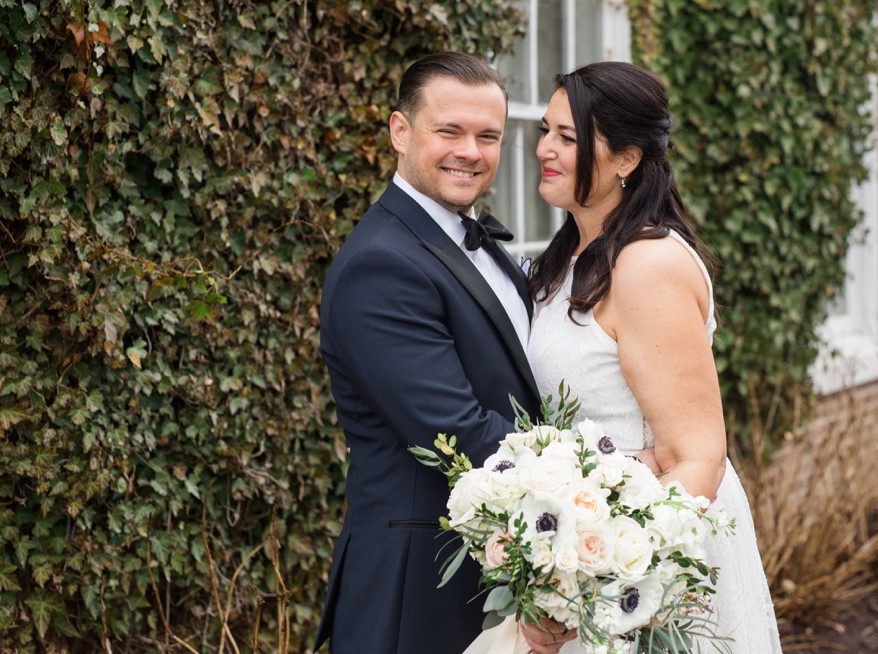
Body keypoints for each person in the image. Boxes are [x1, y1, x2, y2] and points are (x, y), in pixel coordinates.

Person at [315, 52, 573, 654]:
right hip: (419, 581)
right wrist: (598, 474)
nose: (471, 152)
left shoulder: (469, 237)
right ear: (400, 132)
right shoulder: (383, 264)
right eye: (449, 131)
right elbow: (454, 432)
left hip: (490, 561)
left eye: (488, 136)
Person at [524, 62, 783, 653]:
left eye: (568, 137)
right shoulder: (571, 254)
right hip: (586, 541)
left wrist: (604, 587)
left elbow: (697, 459)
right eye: (546, 130)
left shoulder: (647, 266)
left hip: (647, 561)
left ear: (626, 159)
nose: (544, 148)